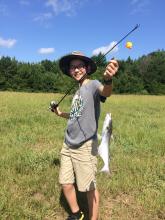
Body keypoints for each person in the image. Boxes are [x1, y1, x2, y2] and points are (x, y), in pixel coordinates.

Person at [53, 51, 119, 220]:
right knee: (66, 183)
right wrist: (61, 113)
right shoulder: (77, 92)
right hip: (67, 143)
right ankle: (76, 214)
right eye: (72, 67)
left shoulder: (93, 85)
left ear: (87, 68)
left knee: (89, 187)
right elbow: (75, 115)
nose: (76, 70)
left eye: (80, 66)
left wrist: (108, 79)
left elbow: (105, 92)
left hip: (85, 145)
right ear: (69, 71)